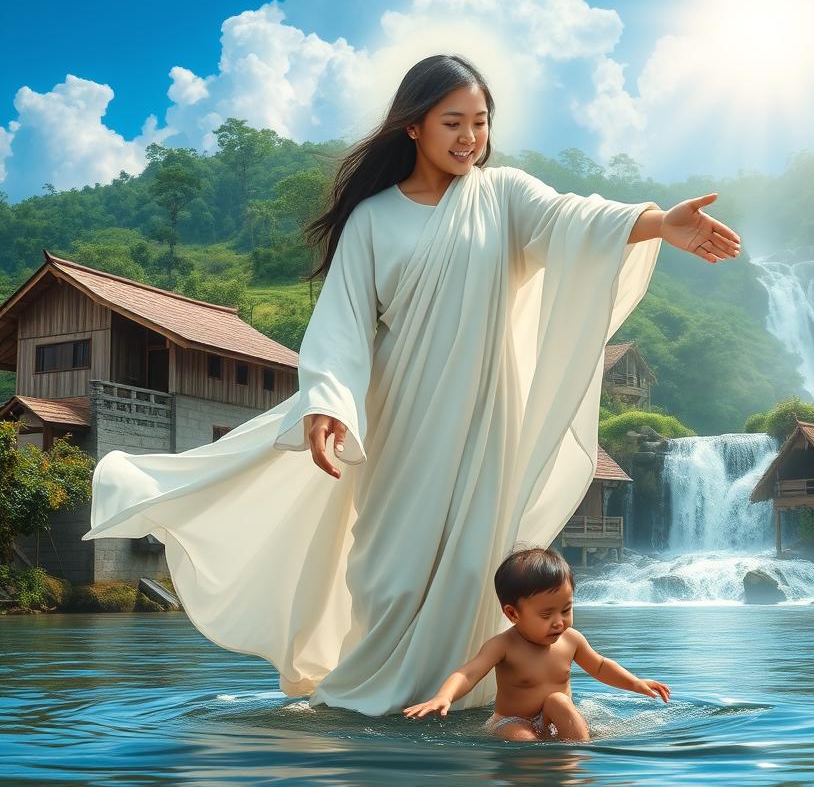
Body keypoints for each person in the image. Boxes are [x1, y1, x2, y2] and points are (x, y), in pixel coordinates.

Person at [82, 53, 742, 717]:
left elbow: (576, 218)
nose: (469, 139)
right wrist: (328, 402)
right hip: (401, 420)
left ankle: (471, 700)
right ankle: (366, 702)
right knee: (390, 577)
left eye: (480, 123)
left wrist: (659, 223)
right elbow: (341, 325)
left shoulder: (503, 196)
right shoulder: (372, 220)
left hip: (487, 422)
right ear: (412, 127)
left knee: (469, 569)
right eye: (452, 122)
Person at [403, 546, 671, 741]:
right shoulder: (504, 646)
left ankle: (577, 760)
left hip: (556, 718)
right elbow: (469, 672)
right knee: (524, 740)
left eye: (566, 610)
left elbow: (600, 666)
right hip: (511, 721)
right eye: (546, 615)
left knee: (559, 701)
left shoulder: (572, 640)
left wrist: (634, 682)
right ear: (512, 614)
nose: (559, 622)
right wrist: (444, 696)